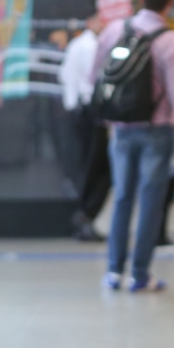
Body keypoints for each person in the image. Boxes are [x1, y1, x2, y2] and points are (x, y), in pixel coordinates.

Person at [90, 0, 174, 292]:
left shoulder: (113, 30)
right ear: (170, 2)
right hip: (157, 131)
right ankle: (140, 274)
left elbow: (95, 75)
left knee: (121, 198)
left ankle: (112, 272)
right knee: (150, 202)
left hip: (120, 130)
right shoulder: (170, 39)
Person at [58, 14, 109, 241]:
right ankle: (85, 216)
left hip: (79, 110)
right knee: (97, 168)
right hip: (90, 111)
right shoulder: (90, 46)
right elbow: (93, 79)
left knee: (90, 167)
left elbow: (64, 75)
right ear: (91, 22)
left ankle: (85, 216)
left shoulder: (78, 45)